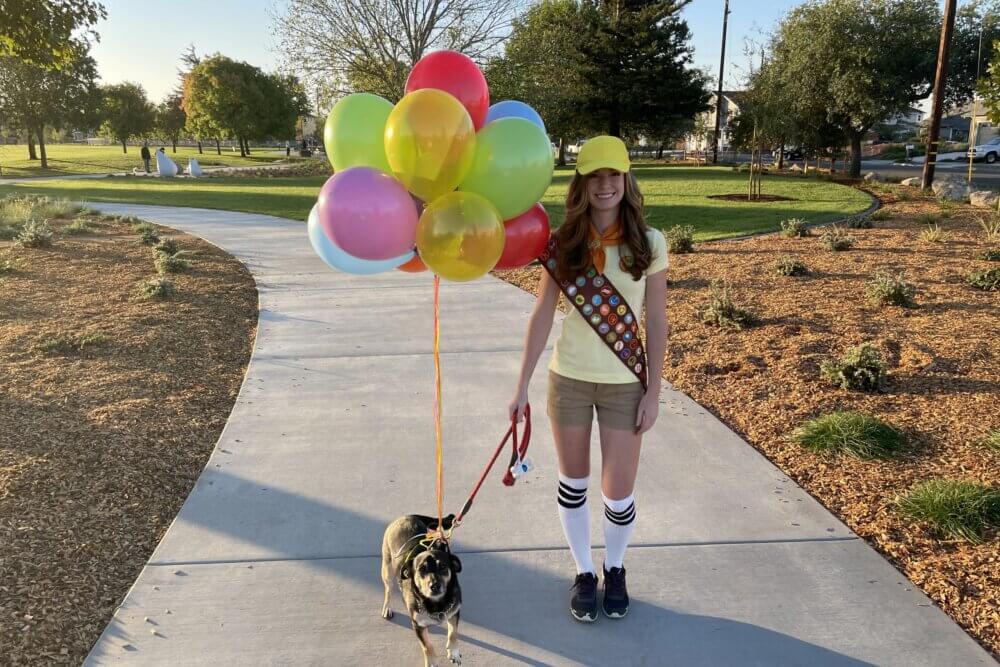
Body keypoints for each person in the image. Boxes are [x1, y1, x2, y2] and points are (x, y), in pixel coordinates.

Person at [508, 135, 669, 623]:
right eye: (595, 176)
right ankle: (584, 572)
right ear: (582, 184)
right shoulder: (563, 245)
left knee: (618, 494)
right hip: (570, 379)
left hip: (625, 384)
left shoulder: (650, 243)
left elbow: (658, 322)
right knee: (572, 484)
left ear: (626, 180)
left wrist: (654, 391)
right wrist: (520, 387)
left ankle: (614, 567)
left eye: (613, 176)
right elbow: (541, 314)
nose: (605, 185)